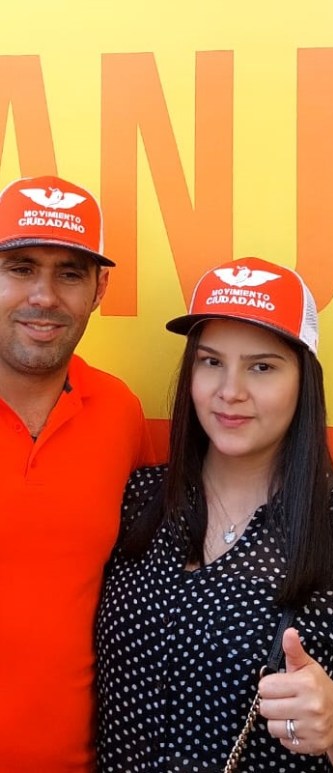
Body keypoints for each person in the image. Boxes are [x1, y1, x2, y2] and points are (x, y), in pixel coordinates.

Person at [95, 257, 333, 772]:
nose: (230, 391)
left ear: (304, 380)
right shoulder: (137, 500)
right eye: (211, 362)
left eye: (262, 367)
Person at [0, 174, 155, 770]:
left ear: (99, 289)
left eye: (69, 273)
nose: (44, 296)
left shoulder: (119, 412)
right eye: (21, 268)